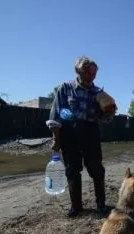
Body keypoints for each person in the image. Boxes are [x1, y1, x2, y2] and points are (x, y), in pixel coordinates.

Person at [46, 56, 115, 218]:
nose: (92, 77)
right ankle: (76, 207)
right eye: (89, 73)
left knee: (96, 169)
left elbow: (104, 119)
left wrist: (109, 113)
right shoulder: (66, 88)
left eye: (94, 74)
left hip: (91, 132)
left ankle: (101, 204)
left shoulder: (99, 93)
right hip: (70, 133)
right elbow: (55, 116)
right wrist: (56, 139)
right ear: (79, 71)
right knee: (72, 170)